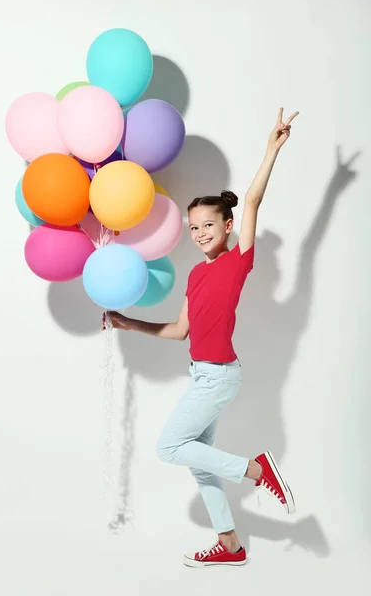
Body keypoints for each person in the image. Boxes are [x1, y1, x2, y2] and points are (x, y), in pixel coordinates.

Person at [102, 107, 300, 567]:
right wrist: (130, 323)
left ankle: (258, 469)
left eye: (208, 225)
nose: (199, 233)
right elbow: (179, 330)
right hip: (202, 375)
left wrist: (271, 149)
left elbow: (251, 202)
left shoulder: (238, 262)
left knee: (169, 446)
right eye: (193, 228)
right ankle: (230, 545)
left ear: (227, 227)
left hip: (220, 378)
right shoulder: (194, 276)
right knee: (196, 457)